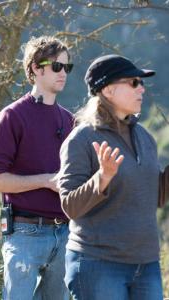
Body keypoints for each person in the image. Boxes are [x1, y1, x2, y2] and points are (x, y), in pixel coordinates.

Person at [58, 54, 167, 300]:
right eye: (134, 82)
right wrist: (102, 177)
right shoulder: (81, 139)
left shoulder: (145, 137)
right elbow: (70, 206)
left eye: (141, 82)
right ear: (107, 89)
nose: (142, 88)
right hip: (98, 264)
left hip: (146, 264)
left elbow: (155, 197)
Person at [0, 35, 75, 300]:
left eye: (66, 67)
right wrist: (46, 180)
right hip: (24, 232)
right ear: (36, 68)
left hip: (65, 230)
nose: (63, 73)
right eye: (57, 66)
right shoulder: (13, 115)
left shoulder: (69, 120)